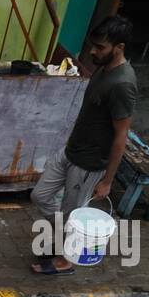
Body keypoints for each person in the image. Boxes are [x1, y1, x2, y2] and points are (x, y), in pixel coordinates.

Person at [30, 14, 136, 275]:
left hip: (90, 163)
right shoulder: (104, 68)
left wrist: (107, 180)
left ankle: (65, 261)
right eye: (94, 45)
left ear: (119, 48)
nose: (93, 51)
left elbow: (121, 135)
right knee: (40, 195)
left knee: (72, 213)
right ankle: (62, 235)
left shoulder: (123, 84)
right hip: (71, 151)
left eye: (100, 47)